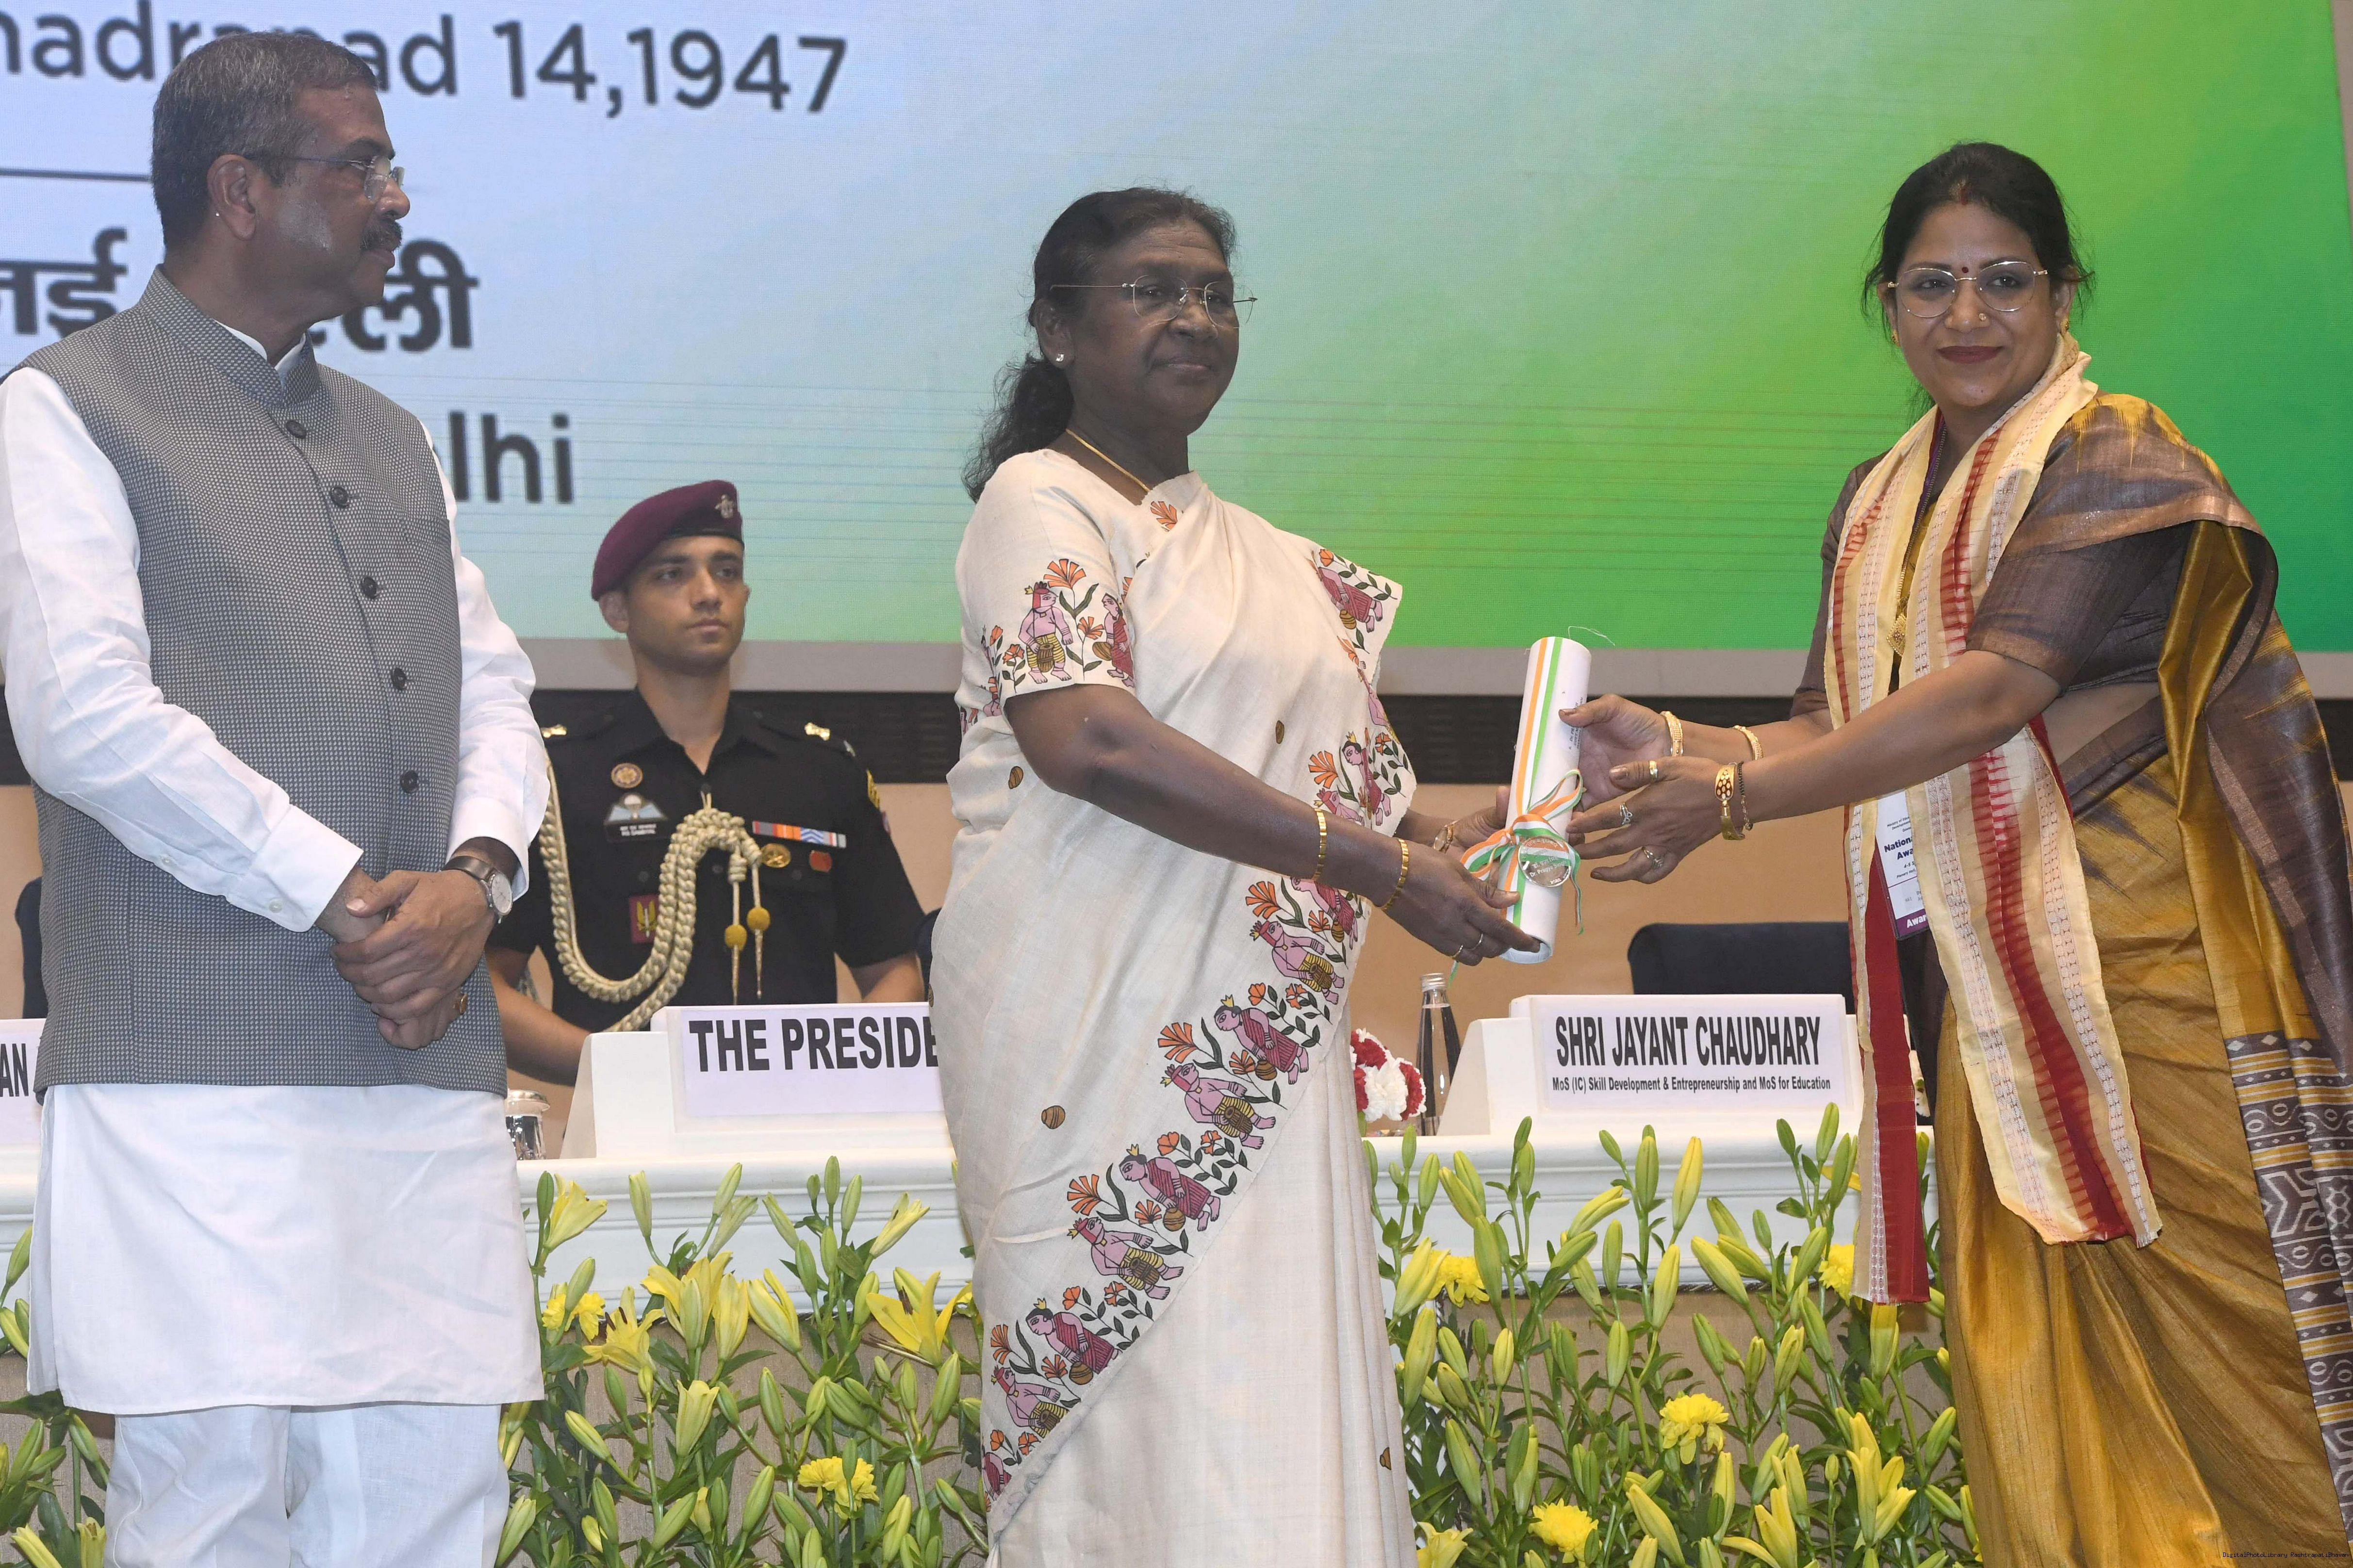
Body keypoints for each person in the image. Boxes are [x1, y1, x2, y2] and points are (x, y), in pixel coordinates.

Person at [1561, 142, 2353, 1562]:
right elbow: (1833, 718)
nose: (1966, 314)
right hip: (1993, 997)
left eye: (2002, 280)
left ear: (2061, 295)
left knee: (2241, 1346)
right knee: (2044, 1368)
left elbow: (1989, 692)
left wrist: (1729, 802)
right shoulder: (1876, 499)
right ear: (1885, 305)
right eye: (1929, 284)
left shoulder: (2114, 460)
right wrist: (1677, 742)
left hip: (2150, 989)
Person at [0, 34, 546, 1567]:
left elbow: (492, 683)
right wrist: (346, 897)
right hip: (195, 1075)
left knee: (435, 1505)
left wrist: (478, 877)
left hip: (419, 1057)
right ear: (240, 191)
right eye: (359, 165)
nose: (396, 198)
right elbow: (83, 717)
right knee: (213, 1510)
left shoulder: (394, 432)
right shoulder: (61, 405)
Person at [930, 187, 1533, 1567]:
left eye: (1213, 292)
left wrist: (1452, 839)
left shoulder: (1258, 555)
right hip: (1099, 1062)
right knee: (1154, 1433)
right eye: (1151, 290)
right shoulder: (1039, 500)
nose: (1194, 317)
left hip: (1255, 1068)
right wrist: (1378, 863)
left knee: (1266, 1403)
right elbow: (1088, 741)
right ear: (1056, 328)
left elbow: (1337, 789)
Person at [487, 481, 927, 1081]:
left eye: (727, 572)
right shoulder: (556, 779)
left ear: (745, 594)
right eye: (673, 575)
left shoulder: (819, 770)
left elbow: (895, 969)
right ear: (618, 610)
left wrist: (829, 1072)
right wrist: (616, 1073)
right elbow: (484, 983)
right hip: (632, 1119)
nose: (708, 593)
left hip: (803, 1113)